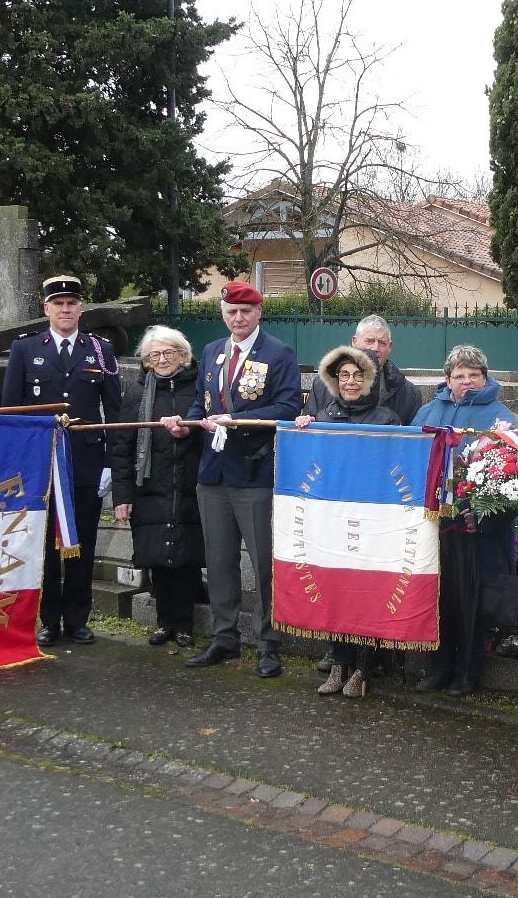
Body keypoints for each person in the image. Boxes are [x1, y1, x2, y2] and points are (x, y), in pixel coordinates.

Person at [160, 281, 303, 679]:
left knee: (263, 564)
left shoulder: (278, 353)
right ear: (222, 314)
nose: (238, 318)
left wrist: (236, 420)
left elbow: (288, 407)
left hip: (254, 473)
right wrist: (185, 425)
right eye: (231, 312)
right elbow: (201, 402)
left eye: (245, 311)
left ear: (259, 312)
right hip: (213, 472)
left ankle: (268, 644)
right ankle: (224, 637)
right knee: (219, 562)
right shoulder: (212, 352)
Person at [0, 275, 123, 647]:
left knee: (82, 541)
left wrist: (110, 463)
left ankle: (77, 619)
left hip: (86, 461)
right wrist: (18, 465)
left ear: (81, 308)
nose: (65, 309)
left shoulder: (100, 350)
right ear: (47, 309)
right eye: (59, 303)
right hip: (41, 462)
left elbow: (114, 412)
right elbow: (12, 411)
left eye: (71, 303)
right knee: (46, 546)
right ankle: (49, 620)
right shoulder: (25, 349)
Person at [295, 344, 403, 697]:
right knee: (335, 590)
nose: (351, 382)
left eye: (358, 375)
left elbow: (395, 466)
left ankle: (362, 668)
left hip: (372, 519)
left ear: (368, 379)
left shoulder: (386, 419)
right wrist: (303, 428)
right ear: (334, 380)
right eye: (344, 375)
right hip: (332, 519)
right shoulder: (322, 417)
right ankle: (339, 663)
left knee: (366, 593)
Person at [412, 344, 518, 696]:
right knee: (439, 597)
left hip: (477, 528)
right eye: (459, 375)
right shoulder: (428, 411)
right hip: (435, 525)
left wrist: (481, 513)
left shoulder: (502, 418)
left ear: (486, 378)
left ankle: (467, 671)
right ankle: (440, 667)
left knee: (472, 601)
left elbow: (512, 477)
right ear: (448, 380)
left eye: (474, 375)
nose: (467, 381)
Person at [108, 326, 206, 652]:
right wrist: (122, 496)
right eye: (154, 355)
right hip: (151, 487)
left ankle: (185, 625)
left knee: (187, 557)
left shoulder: (199, 389)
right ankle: (164, 622)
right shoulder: (137, 394)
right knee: (158, 558)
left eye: (168, 353)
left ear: (182, 354)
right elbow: (123, 447)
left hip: (190, 484)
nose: (162, 360)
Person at [308, 314, 421, 425]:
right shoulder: (321, 386)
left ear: (389, 347)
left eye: (382, 343)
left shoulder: (409, 393)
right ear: (354, 342)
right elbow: (310, 427)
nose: (375, 348)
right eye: (369, 341)